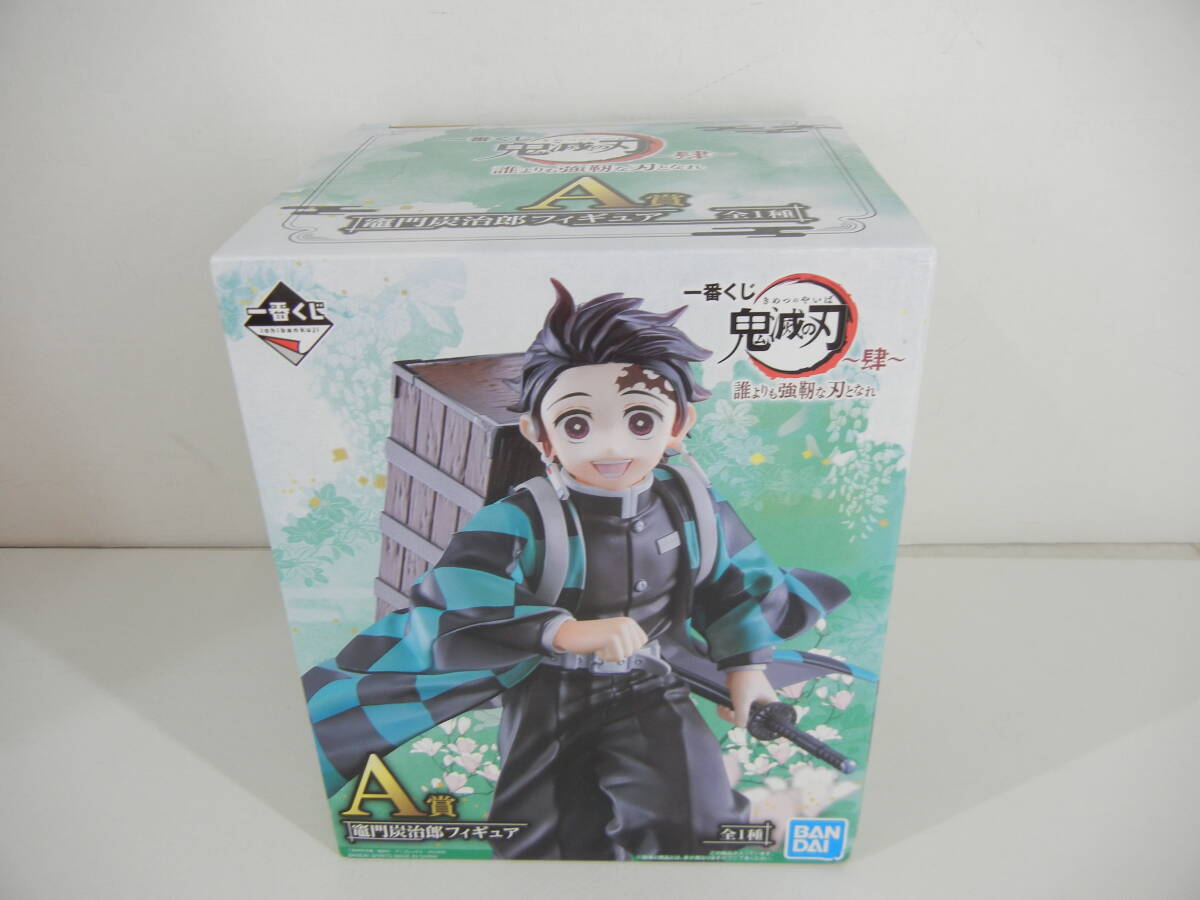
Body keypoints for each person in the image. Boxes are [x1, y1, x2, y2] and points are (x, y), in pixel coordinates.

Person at [305, 280, 847, 859]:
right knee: (547, 835)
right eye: (578, 425)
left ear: (679, 424)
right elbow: (460, 587)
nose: (610, 446)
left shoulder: (692, 505)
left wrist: (744, 670)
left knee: (697, 816)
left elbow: (731, 586)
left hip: (650, 683)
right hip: (549, 692)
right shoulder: (523, 517)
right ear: (539, 433)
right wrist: (562, 631)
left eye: (641, 421)